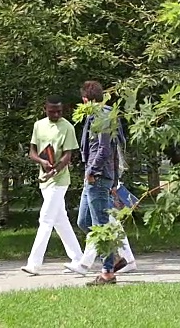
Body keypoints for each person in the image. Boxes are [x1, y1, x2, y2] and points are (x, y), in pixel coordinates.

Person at [20, 95, 84, 275]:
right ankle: (78, 258)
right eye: (52, 111)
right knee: (60, 219)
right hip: (44, 179)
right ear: (45, 109)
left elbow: (67, 156)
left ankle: (34, 264)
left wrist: (55, 170)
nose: (56, 114)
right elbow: (32, 152)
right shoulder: (38, 125)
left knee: (46, 219)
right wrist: (42, 161)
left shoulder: (67, 127)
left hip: (59, 180)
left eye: (59, 111)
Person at [68, 80, 122, 286]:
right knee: (84, 221)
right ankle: (114, 255)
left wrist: (92, 171)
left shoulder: (103, 116)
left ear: (85, 100)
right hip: (93, 176)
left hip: (97, 176)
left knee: (100, 225)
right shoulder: (98, 115)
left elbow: (105, 149)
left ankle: (108, 272)